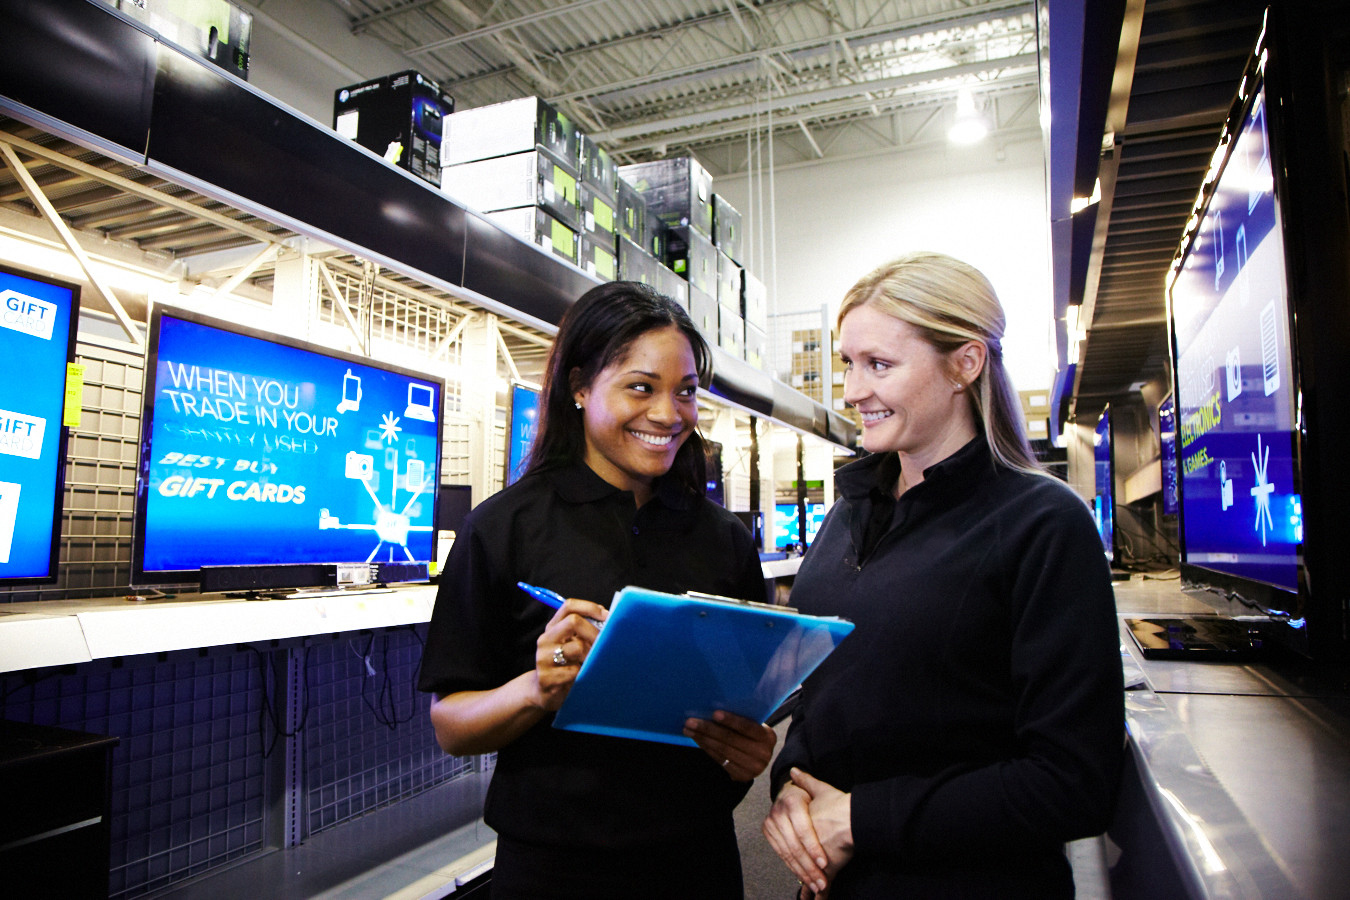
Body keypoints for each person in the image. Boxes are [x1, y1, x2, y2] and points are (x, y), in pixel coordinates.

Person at [762, 252, 1124, 899]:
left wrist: (862, 819)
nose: (851, 391)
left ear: (966, 363)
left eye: (880, 365)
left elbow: (1074, 782)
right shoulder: (850, 513)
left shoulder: (1042, 524)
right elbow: (822, 700)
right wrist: (792, 789)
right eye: (849, 363)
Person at [417, 281, 778, 900]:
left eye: (685, 392)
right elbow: (452, 725)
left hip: (697, 860)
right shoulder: (504, 529)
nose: (668, 414)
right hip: (554, 868)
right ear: (580, 388)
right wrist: (537, 689)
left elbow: (742, 703)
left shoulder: (724, 540)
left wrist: (747, 750)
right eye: (641, 387)